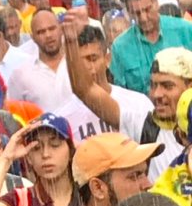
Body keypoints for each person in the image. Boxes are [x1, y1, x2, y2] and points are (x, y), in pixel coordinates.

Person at [65, 28, 190, 181]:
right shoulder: (144, 124)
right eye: (153, 85)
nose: (156, 94)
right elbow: (85, 90)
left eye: (167, 86)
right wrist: (71, 41)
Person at [60, 20, 154, 143]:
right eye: (79, 63)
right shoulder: (64, 118)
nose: (87, 67)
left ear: (107, 59)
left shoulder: (138, 104)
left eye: (92, 58)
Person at [0, 115, 82, 206]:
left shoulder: (90, 195)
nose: (45, 154)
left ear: (71, 150)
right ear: (28, 158)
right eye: (36, 148)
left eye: (55, 145)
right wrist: (6, 159)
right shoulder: (19, 201)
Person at [110, 0, 192, 93]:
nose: (143, 18)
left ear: (156, 3)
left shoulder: (185, 30)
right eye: (137, 13)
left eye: (147, 10)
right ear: (128, 13)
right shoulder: (120, 47)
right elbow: (121, 93)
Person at [8, 10, 72, 111]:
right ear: (33, 37)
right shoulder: (21, 75)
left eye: (52, 29)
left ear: (61, 30)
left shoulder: (78, 63)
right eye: (41, 32)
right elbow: (17, 116)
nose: (48, 35)